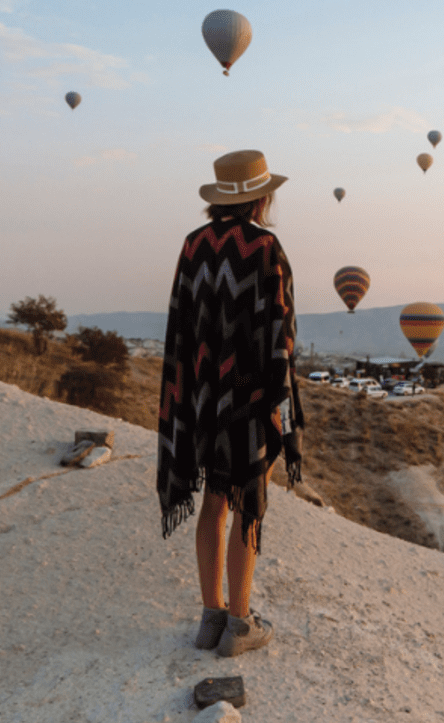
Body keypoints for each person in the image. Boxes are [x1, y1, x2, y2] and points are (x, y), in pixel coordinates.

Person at [157, 150, 305, 657]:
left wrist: (188, 392)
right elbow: (279, 335)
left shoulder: (192, 244)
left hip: (200, 398)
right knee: (247, 505)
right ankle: (240, 625)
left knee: (212, 501)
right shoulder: (265, 247)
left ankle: (210, 617)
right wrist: (281, 411)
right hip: (248, 400)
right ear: (262, 198)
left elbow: (180, 323)